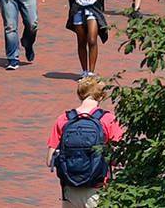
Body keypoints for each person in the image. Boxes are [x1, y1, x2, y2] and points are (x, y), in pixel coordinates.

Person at [48, 75, 123, 207]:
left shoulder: (64, 119)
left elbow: (50, 161)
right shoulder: (108, 119)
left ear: (79, 95)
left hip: (69, 191)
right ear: (101, 96)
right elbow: (120, 158)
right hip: (98, 189)